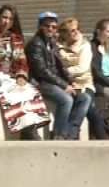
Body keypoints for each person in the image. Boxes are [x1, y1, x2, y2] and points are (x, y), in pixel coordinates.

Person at [26, 11, 91, 140]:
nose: (50, 29)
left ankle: (70, 133)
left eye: (53, 27)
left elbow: (59, 66)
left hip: (54, 81)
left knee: (84, 98)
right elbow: (41, 70)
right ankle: (58, 135)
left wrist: (69, 82)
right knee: (66, 100)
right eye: (47, 26)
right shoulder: (36, 43)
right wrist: (63, 85)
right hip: (41, 82)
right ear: (40, 26)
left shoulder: (51, 43)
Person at [56, 17, 107, 139]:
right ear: (64, 33)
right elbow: (56, 64)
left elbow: (82, 68)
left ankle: (71, 134)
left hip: (84, 84)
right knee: (91, 109)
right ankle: (102, 137)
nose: (76, 32)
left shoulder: (85, 45)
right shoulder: (57, 46)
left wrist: (65, 71)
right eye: (72, 30)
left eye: (77, 29)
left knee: (86, 101)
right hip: (66, 84)